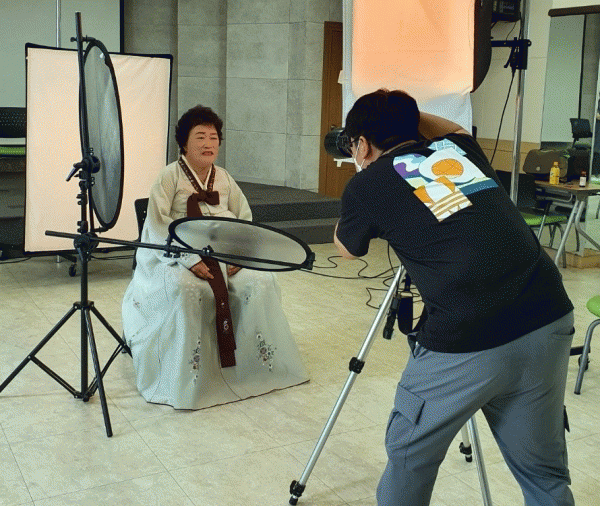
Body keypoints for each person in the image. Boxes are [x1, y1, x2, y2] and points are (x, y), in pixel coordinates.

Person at [334, 89, 575, 506]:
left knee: (410, 455)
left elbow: (348, 248)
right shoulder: (458, 150)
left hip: (468, 335)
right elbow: (458, 128)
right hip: (547, 314)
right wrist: (402, 114)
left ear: (362, 145)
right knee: (543, 474)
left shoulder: (366, 183)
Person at [122, 105, 308, 410]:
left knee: (260, 281)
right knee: (188, 289)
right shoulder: (168, 176)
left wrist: (240, 255)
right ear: (183, 143)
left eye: (213, 137)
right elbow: (156, 225)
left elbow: (244, 218)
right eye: (200, 137)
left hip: (224, 253)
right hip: (176, 254)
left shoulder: (224, 177)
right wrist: (189, 260)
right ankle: (191, 378)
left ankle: (254, 369)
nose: (208, 144)